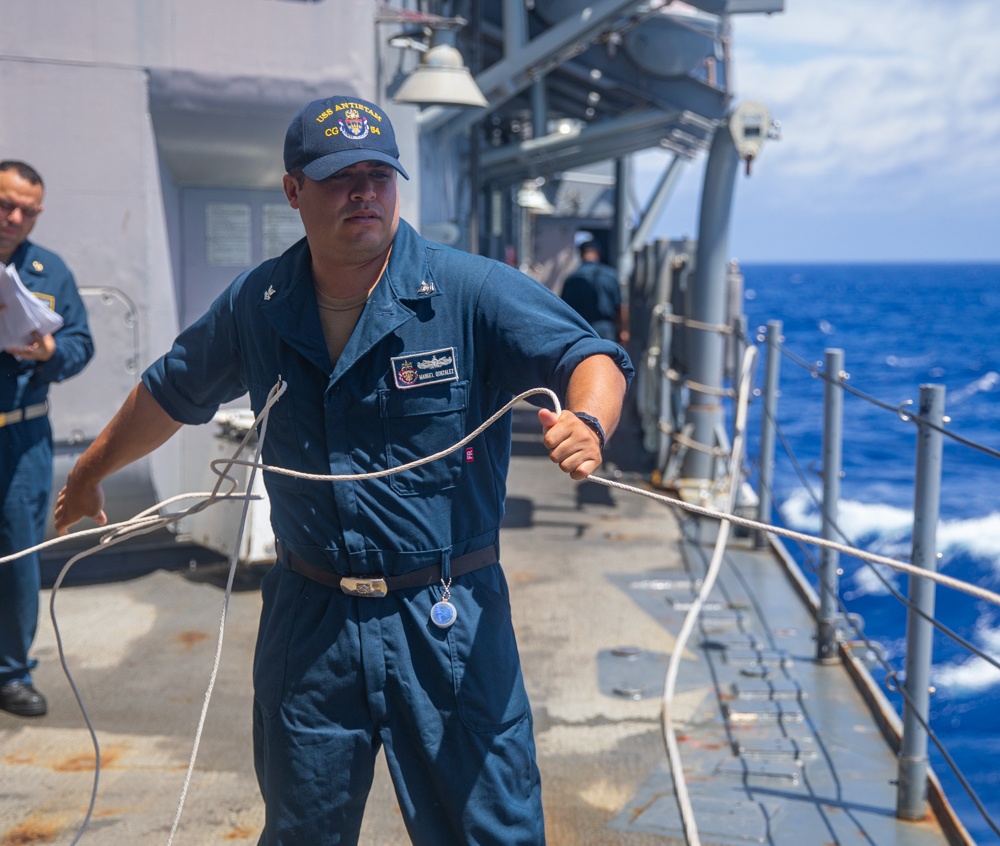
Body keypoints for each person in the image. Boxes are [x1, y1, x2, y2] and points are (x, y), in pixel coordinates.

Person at [55, 95, 631, 845]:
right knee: (303, 832)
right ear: (294, 190)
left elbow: (589, 357)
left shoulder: (468, 290)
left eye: (377, 175)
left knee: (489, 831)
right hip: (311, 616)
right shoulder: (258, 305)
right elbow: (171, 392)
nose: (363, 192)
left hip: (447, 616)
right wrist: (90, 474)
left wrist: (588, 422)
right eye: (339, 177)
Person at [0, 160, 94, 717]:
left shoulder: (48, 269)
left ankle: (11, 674)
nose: (14, 218)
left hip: (23, 434)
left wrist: (52, 353)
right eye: (5, 205)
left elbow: (82, 342)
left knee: (18, 555)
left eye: (27, 210)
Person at [560, 240, 630, 346]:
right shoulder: (610, 275)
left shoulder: (571, 278)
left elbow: (564, 310)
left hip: (580, 329)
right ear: (598, 254)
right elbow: (620, 307)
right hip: (606, 330)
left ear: (581, 255)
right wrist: (623, 330)